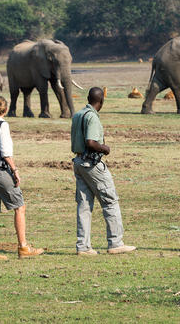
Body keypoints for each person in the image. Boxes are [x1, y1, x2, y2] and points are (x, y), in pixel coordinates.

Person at [70, 87, 135, 255]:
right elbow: (91, 142)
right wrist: (104, 148)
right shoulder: (92, 117)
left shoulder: (78, 115)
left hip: (78, 162)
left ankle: (83, 247)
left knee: (84, 205)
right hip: (92, 164)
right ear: (102, 101)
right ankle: (115, 243)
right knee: (110, 200)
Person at [0, 96, 43, 260]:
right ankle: (23, 247)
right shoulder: (2, 125)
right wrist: (15, 170)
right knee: (19, 206)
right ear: (5, 109)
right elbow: (6, 152)